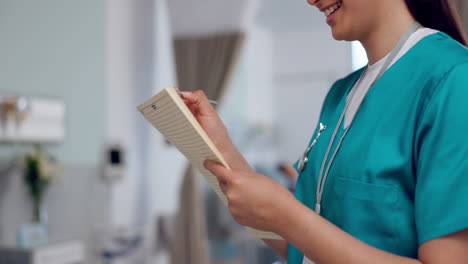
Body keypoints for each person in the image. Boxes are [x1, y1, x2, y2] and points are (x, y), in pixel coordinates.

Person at [180, 0, 468, 262]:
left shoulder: (454, 81)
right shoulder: (339, 96)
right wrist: (220, 145)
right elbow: (301, 245)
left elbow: (295, 224)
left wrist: (288, 216)